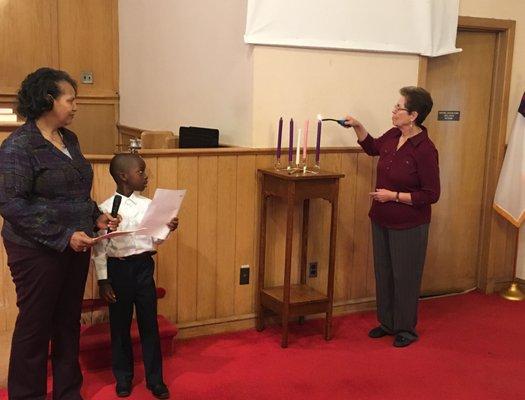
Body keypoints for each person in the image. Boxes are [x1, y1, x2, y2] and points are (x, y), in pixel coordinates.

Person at [0, 67, 119, 399]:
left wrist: (96, 216)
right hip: (35, 249)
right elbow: (11, 204)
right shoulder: (18, 146)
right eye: (71, 99)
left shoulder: (70, 139)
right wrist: (63, 235)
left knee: (68, 322)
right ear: (49, 99)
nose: (76, 106)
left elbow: (78, 194)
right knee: (36, 326)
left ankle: (68, 392)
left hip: (76, 244)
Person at [343, 86, 440, 347]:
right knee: (384, 273)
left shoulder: (425, 149)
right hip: (381, 218)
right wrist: (358, 126)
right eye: (395, 107)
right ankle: (387, 323)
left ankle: (406, 328)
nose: (394, 111)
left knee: (405, 276)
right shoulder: (393, 135)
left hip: (409, 225)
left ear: (414, 115)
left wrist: (393, 196)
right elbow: (373, 147)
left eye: (399, 108)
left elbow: (431, 194)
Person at [92, 153, 178, 399]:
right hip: (118, 270)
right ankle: (124, 378)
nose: (146, 176)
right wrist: (103, 280)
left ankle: (155, 379)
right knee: (119, 326)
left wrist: (167, 229)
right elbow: (99, 248)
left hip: (143, 268)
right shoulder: (105, 208)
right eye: (141, 172)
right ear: (124, 176)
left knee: (148, 324)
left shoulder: (149, 205)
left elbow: (155, 240)